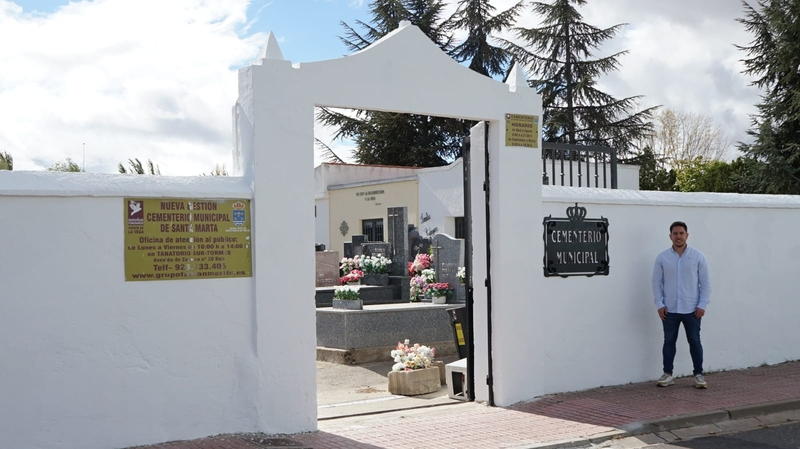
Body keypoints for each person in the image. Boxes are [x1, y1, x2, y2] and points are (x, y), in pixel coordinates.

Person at [652, 221, 711, 389]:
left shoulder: (698, 256)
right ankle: (668, 374)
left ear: (687, 235)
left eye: (681, 233)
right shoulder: (663, 258)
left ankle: (698, 375)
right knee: (669, 341)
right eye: (675, 233)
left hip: (692, 309)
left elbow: (705, 283)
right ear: (670, 236)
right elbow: (656, 283)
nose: (678, 236)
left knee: (695, 341)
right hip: (669, 309)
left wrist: (702, 305)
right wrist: (659, 304)